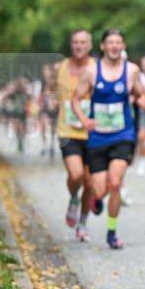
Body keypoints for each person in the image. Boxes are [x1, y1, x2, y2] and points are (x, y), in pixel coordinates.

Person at [71, 29, 145, 250]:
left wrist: (142, 99)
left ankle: (112, 232)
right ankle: (96, 198)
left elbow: (140, 92)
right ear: (103, 46)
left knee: (115, 183)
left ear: (123, 46)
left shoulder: (131, 70)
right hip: (97, 137)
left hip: (123, 134)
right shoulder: (91, 71)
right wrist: (85, 120)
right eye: (110, 43)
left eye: (118, 43)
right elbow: (76, 99)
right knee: (99, 190)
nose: (114, 46)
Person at [55, 30, 95, 241]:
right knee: (76, 175)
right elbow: (52, 90)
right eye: (75, 42)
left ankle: (83, 223)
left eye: (83, 42)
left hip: (92, 131)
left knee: (89, 183)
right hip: (67, 130)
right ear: (71, 45)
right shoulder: (60, 68)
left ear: (90, 45)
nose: (79, 46)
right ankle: (73, 198)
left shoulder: (98, 68)